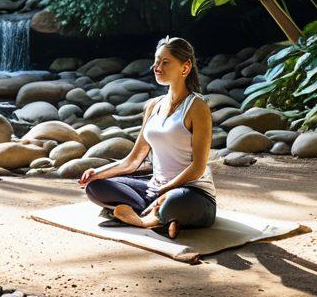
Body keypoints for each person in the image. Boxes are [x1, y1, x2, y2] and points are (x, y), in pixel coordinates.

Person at [79, 36, 216, 239]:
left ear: (185, 67)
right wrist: (97, 172)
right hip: (155, 188)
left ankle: (144, 219)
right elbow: (134, 159)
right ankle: (163, 218)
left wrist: (166, 190)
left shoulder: (197, 107)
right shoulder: (153, 105)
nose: (156, 67)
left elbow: (198, 167)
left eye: (164, 62)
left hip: (192, 193)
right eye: (156, 61)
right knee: (95, 187)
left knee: (173, 202)